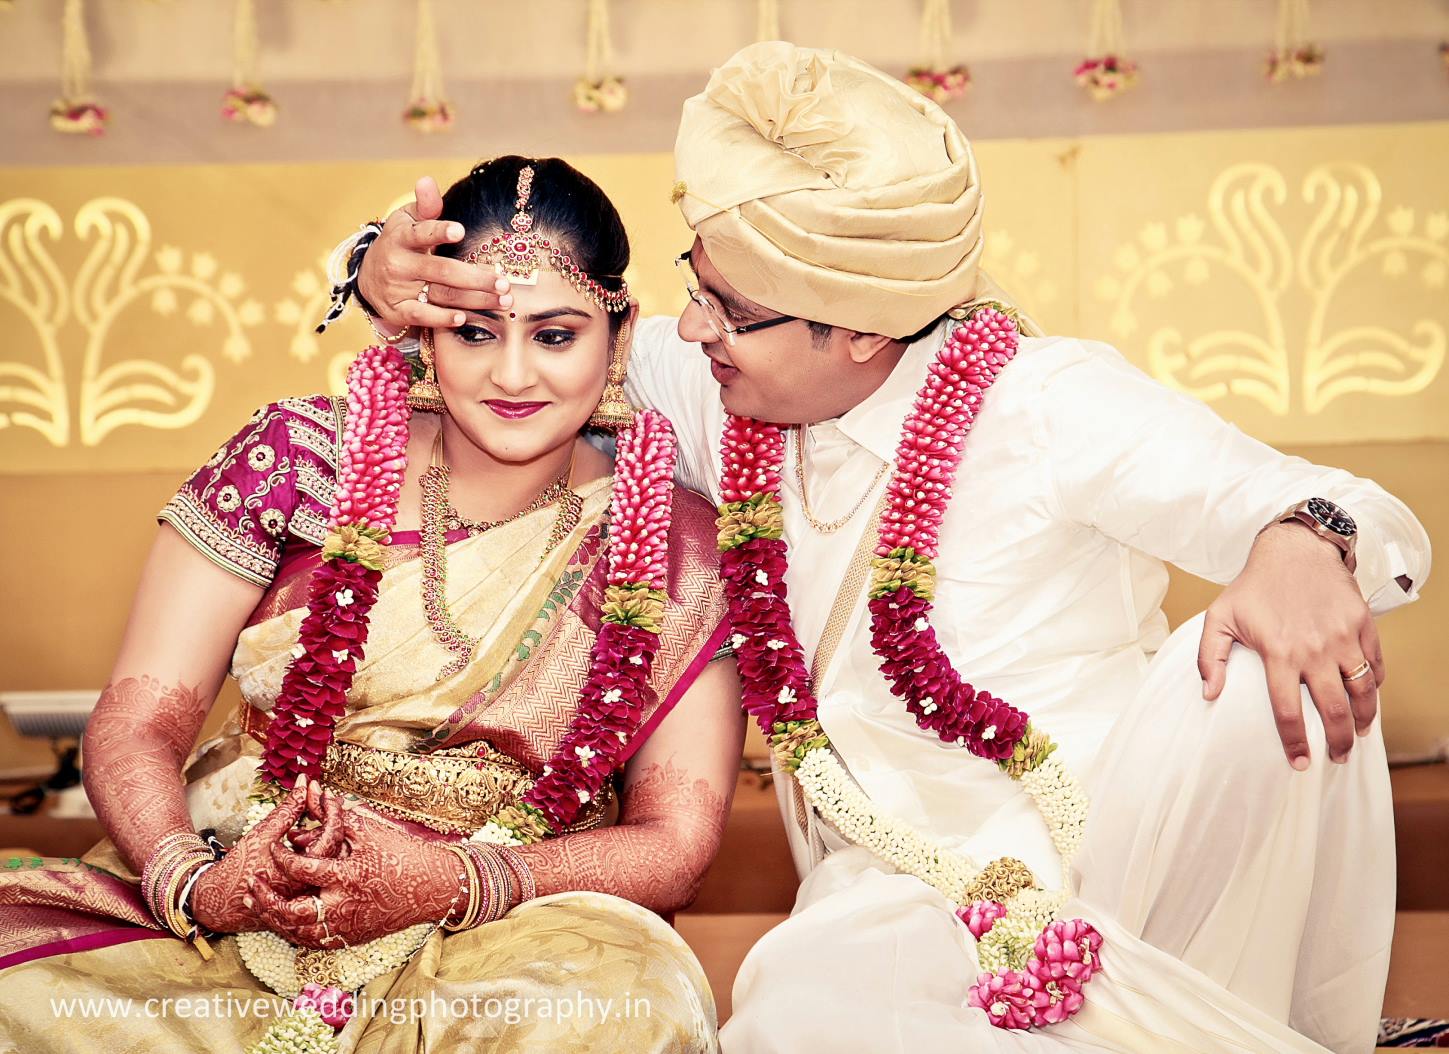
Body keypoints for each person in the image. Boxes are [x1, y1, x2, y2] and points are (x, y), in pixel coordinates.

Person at [336, 43, 1430, 1054]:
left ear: (860, 326)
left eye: (729, 308)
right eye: (694, 282)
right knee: (804, 1017)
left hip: (1116, 835)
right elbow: (541, 348)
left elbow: (1342, 505)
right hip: (895, 882)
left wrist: (1304, 543)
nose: (694, 327)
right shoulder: (718, 383)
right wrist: (374, 273)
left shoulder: (1041, 402)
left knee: (1259, 673)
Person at [0, 156, 743, 1054]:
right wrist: (195, 884)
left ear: (617, 335)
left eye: (554, 335)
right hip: (247, 872)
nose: (512, 375)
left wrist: (450, 880)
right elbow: (135, 722)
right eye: (474, 333)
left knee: (621, 1010)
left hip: (518, 915)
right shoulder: (298, 456)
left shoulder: (669, 534)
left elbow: (674, 840)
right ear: (422, 328)